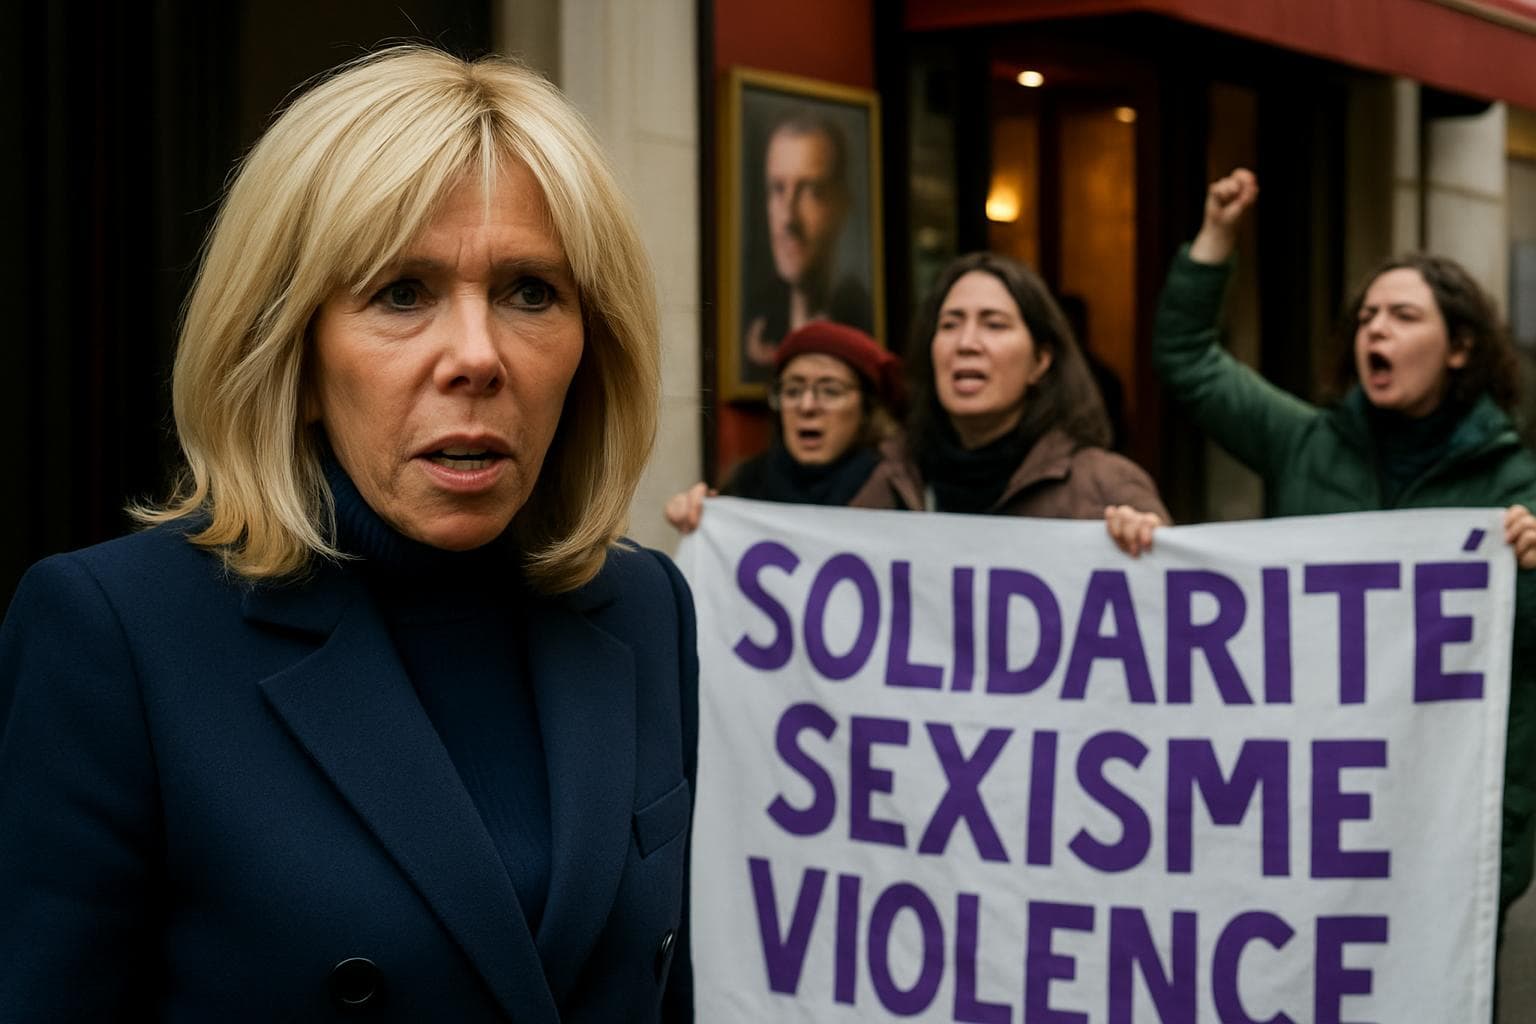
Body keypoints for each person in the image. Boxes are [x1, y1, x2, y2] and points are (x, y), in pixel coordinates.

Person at [0, 48, 696, 1022]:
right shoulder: (116, 636)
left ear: (594, 342)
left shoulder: (645, 609)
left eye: (531, 291)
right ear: (289, 346)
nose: (478, 356)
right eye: (401, 293)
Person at [1155, 167, 1536, 929]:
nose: (1376, 331)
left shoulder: (1515, 482)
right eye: (1366, 317)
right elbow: (1189, 360)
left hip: (1448, 826)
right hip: (1315, 813)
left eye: (1402, 315)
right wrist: (1217, 239)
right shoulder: (1304, 444)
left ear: (1459, 348)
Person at [851, 251, 1168, 554]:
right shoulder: (894, 480)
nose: (966, 343)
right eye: (950, 324)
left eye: (994, 324)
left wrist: (1146, 541)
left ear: (1040, 361)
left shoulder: (1104, 486)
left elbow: (1164, 594)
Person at [666, 320, 902, 533]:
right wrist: (699, 518)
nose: (807, 406)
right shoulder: (744, 486)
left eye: (830, 390)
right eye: (792, 390)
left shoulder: (901, 489)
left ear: (867, 409)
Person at [742, 110, 872, 372]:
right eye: (778, 189)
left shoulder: (857, 315)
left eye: (811, 191)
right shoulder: (759, 326)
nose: (788, 218)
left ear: (841, 203)